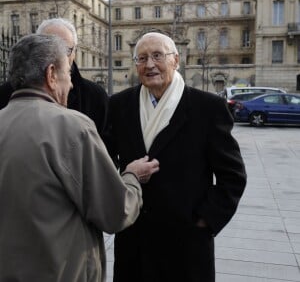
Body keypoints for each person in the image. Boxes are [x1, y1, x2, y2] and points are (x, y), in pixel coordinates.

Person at [0, 34, 159, 282]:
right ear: (51, 74)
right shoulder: (71, 126)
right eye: (68, 74)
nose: (72, 84)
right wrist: (132, 176)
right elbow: (116, 212)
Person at [104, 32, 247, 282]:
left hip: (186, 244)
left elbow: (233, 176)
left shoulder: (208, 107)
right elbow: (105, 161)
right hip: (134, 240)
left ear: (176, 60)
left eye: (158, 56)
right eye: (142, 58)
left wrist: (205, 220)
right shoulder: (119, 105)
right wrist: (126, 178)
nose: (149, 65)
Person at [0, 17, 108, 136]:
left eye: (65, 50)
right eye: (47, 48)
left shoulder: (95, 97)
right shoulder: (6, 93)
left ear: (74, 53)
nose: (57, 55)